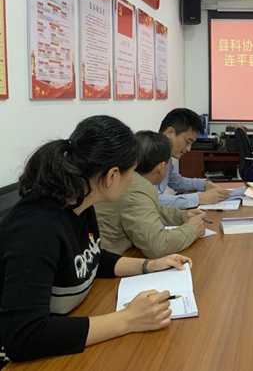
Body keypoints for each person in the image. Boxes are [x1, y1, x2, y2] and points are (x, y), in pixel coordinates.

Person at [0, 116, 192, 367]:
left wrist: (149, 265)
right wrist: (128, 319)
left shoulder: (81, 202)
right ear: (112, 175)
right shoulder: (36, 229)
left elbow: (92, 258)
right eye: (132, 172)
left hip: (67, 324)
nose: (133, 180)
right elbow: (24, 336)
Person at [96, 131, 208, 259]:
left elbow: (150, 211)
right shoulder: (137, 189)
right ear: (161, 167)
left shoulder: (132, 179)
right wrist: (193, 229)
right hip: (108, 261)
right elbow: (159, 246)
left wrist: (182, 216)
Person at [156, 108, 230, 209]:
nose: (188, 149)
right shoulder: (148, 155)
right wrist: (200, 198)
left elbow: (177, 182)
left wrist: (205, 184)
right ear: (170, 133)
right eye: (187, 142)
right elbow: (152, 201)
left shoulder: (166, 156)